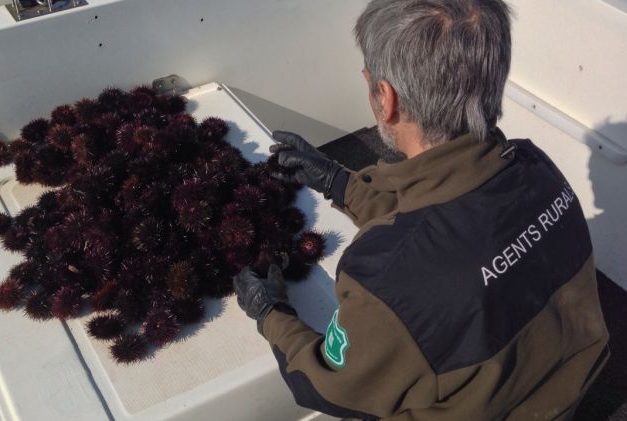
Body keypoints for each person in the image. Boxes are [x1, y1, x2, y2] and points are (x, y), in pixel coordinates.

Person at [233, 1, 610, 419]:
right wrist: (340, 184)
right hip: (567, 391)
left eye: (370, 79)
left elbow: (328, 383)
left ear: (386, 98)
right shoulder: (537, 168)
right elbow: (449, 222)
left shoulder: (387, 282)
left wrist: (269, 313)